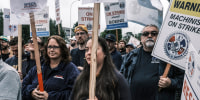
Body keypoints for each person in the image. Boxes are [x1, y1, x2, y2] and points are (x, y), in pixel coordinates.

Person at [120, 24, 184, 100]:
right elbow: (122, 77)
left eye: (154, 33)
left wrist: (170, 82)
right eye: (146, 34)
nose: (149, 36)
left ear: (159, 37)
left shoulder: (169, 56)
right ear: (141, 38)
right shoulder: (131, 55)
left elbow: (182, 79)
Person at [22, 35, 80, 100]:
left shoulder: (70, 70)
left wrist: (50, 97)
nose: (52, 50)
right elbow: (24, 86)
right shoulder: (38, 67)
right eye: (49, 47)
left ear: (62, 49)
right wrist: (31, 92)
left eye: (55, 47)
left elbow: (75, 93)